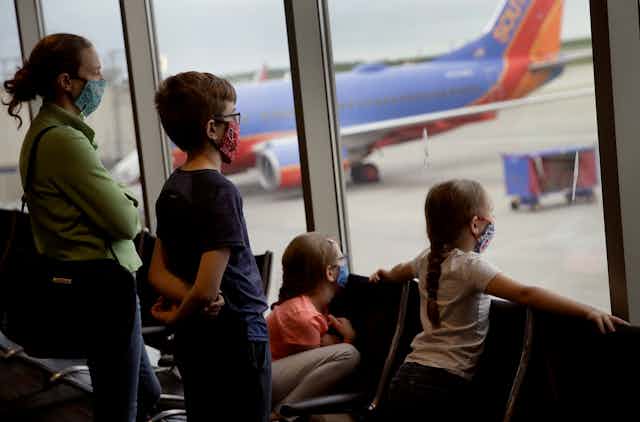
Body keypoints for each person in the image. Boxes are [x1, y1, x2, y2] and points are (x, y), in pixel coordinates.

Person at [370, 179, 628, 421]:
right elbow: (527, 293)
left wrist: (385, 275)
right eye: (490, 214)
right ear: (475, 225)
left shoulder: (425, 259)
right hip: (442, 385)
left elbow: (398, 272)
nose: (493, 221)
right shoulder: (470, 266)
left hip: (406, 375)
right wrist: (587, 311)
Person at [2, 33, 160, 421]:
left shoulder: (49, 134)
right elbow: (126, 221)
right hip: (102, 290)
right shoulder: (64, 142)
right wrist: (127, 199)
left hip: (103, 285)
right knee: (119, 405)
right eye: (96, 74)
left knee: (146, 394)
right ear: (66, 82)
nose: (102, 83)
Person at [149, 71, 271, 422]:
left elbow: (158, 270)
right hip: (238, 339)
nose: (237, 126)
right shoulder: (220, 192)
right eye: (233, 118)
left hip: (196, 341)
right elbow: (207, 290)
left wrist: (184, 307)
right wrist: (179, 313)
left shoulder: (173, 187)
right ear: (212, 129)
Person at [268, 233, 360, 419]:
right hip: (266, 379)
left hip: (273, 375)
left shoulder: (311, 307)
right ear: (330, 272)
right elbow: (319, 373)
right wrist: (349, 339)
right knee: (349, 354)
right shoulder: (303, 316)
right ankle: (281, 415)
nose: (344, 265)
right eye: (341, 260)